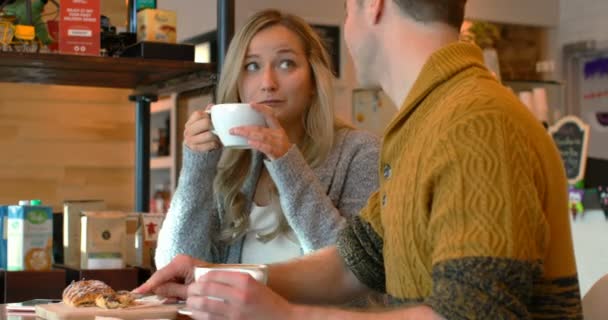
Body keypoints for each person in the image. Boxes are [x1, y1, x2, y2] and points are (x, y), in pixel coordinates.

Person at [136, 1, 583, 319]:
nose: (345, 26)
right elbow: (358, 260)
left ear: (374, 6)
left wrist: (283, 315)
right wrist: (215, 275)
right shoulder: (422, 126)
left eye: (347, 8)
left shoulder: (475, 125)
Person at [154, 9, 380, 271]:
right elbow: (173, 268)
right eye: (251, 66)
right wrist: (196, 167)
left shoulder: (360, 153)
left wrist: (287, 163)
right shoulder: (231, 167)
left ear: (313, 81)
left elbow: (356, 275)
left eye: (286, 63)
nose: (268, 83)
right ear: (237, 83)